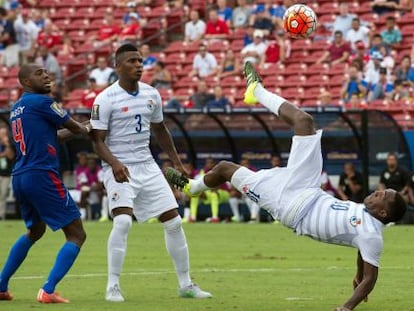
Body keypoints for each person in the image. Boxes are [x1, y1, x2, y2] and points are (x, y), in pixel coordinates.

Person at [165, 61, 407, 311]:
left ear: (383, 213)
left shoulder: (372, 235)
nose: (377, 191)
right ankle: (256, 90)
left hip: (287, 207)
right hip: (308, 188)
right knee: (304, 121)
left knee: (225, 168)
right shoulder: (363, 218)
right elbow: (361, 255)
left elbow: (370, 278)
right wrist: (357, 274)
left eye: (382, 195)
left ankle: (191, 189)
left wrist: (346, 307)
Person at [89, 44, 211, 302]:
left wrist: (177, 163)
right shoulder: (104, 99)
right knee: (122, 222)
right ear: (118, 66)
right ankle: (113, 286)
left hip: (147, 166)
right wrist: (115, 164)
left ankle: (186, 284)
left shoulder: (152, 94)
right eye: (132, 61)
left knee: (175, 222)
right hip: (119, 167)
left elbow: (160, 130)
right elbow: (97, 141)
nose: (139, 65)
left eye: (141, 61)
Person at [0, 63, 91, 303]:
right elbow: (73, 127)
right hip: (42, 174)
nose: (47, 75)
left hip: (20, 175)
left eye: (46, 72)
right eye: (39, 73)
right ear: (26, 82)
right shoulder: (43, 102)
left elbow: (54, 136)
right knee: (76, 234)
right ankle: (48, 290)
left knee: (35, 230)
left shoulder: (17, 108)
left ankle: (0, 286)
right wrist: (90, 127)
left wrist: (82, 129)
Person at [0, 127, 14, 220]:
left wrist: (7, 144)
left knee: (3, 195)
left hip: (5, 174)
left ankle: (1, 215)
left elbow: (10, 156)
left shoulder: (9, 145)